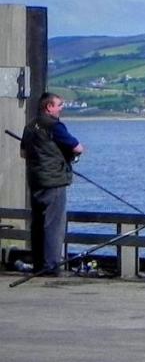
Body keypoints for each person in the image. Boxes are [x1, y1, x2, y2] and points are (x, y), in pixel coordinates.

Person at [20, 92, 84, 277]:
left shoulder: (31, 125)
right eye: (59, 105)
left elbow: (23, 153)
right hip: (54, 182)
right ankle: (51, 265)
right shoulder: (54, 126)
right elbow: (77, 148)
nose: (62, 108)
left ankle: (39, 264)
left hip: (36, 180)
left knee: (38, 222)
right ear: (49, 107)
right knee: (53, 225)